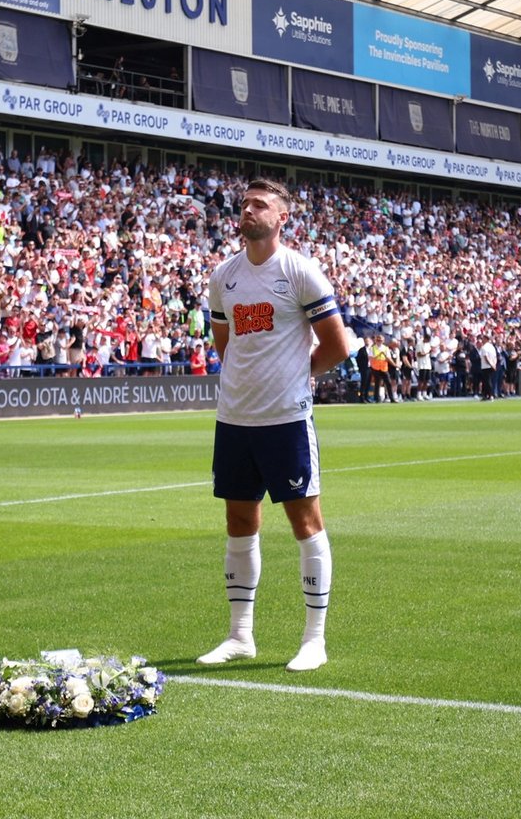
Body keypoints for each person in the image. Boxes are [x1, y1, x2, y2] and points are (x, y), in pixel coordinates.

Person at [196, 179, 351, 674]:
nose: (248, 210)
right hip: (235, 418)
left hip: (286, 419)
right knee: (240, 523)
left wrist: (299, 376)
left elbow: (337, 345)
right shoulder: (224, 276)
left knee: (305, 524)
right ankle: (240, 635)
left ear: (281, 217)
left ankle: (314, 640)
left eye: (260, 204)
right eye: (245, 204)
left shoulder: (300, 271)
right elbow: (226, 345)